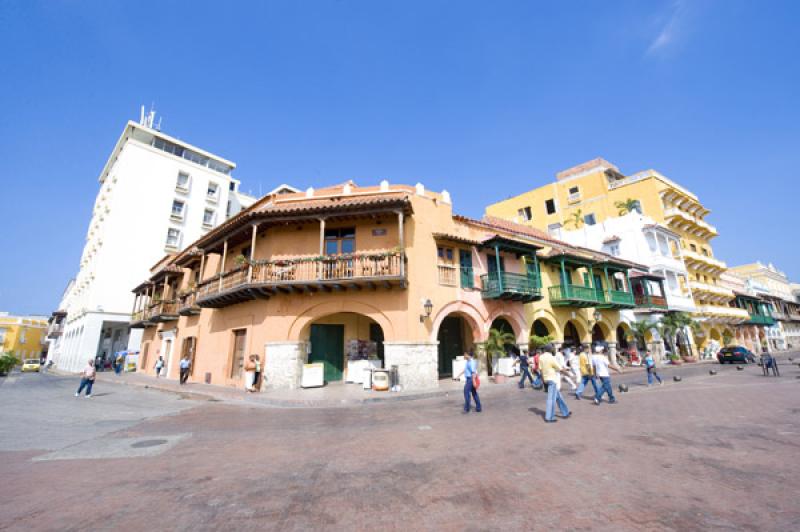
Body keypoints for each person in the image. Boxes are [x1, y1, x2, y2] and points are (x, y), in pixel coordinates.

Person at [539, 344, 571, 423]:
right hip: (552, 379)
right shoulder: (551, 358)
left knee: (558, 397)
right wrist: (568, 374)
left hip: (546, 379)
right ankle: (549, 417)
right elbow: (560, 368)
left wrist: (543, 381)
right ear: (550, 350)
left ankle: (565, 412)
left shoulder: (541, 357)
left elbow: (541, 370)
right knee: (551, 399)